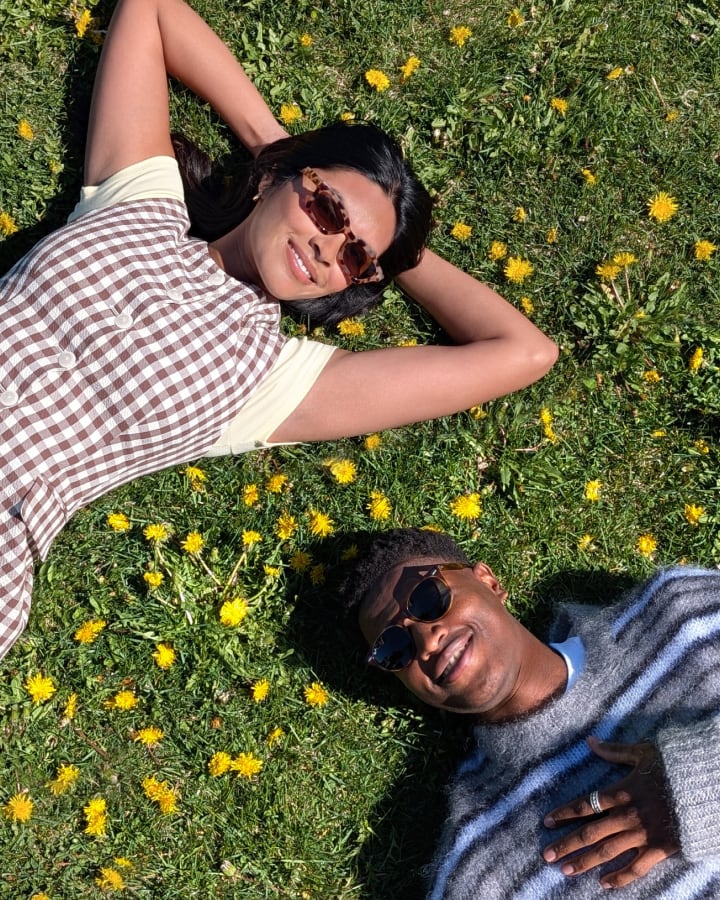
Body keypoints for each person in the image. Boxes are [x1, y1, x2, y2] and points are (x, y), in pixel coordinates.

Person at [0, 0, 557, 662]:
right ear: (278, 177)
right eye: (327, 209)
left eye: (355, 258)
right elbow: (149, 11)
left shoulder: (271, 377)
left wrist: (395, 250)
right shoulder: (140, 204)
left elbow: (524, 352)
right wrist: (272, 140)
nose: (328, 248)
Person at [345, 528, 720, 898]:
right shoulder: (478, 868)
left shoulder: (683, 617)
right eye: (395, 647)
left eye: (428, 598)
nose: (427, 641)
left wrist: (693, 788)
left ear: (488, 582)